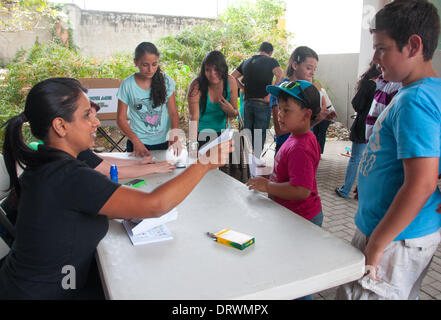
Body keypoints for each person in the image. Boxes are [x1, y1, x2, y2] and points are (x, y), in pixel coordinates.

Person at [0, 77, 232, 299]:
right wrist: (204, 164)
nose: (96, 122)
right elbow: (155, 205)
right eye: (86, 115)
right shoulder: (68, 175)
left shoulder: (45, 165)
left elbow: (82, 210)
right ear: (60, 126)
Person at [336, 0, 441, 300]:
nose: (375, 57)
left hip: (393, 239)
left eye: (382, 48)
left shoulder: (415, 100)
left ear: (413, 45)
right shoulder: (429, 91)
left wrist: (377, 245)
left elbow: (421, 182)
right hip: (403, 232)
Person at [247, 80, 322, 300]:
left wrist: (268, 186)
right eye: (279, 108)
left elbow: (301, 190)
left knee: (297, 273)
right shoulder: (295, 137)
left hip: (302, 218)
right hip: (292, 216)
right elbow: (290, 175)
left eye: (286, 110)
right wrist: (268, 176)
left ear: (307, 114)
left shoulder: (301, 146)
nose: (280, 114)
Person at [117, 42, 182, 158]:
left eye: (154, 64)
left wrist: (174, 136)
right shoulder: (127, 84)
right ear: (135, 62)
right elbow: (121, 119)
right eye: (145, 65)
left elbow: (173, 113)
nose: (150, 69)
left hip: (163, 142)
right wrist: (136, 141)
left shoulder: (166, 81)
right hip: (138, 143)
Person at [269, 46, 335, 155]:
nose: (312, 73)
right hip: (286, 147)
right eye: (309, 68)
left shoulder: (307, 89)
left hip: (303, 145)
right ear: (295, 65)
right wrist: (316, 119)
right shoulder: (281, 90)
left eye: (314, 69)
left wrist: (320, 118)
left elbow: (305, 126)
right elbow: (280, 131)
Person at [84, 101, 175, 178]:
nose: (97, 122)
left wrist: (138, 163)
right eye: (88, 117)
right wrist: (155, 168)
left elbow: (97, 159)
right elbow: (108, 171)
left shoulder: (80, 151)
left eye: (95, 117)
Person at [335, 62, 380, 199]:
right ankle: (364, 192)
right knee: (371, 160)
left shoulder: (369, 84)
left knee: (355, 159)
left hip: (363, 126)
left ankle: (345, 190)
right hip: (378, 127)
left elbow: (357, 104)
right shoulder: (388, 86)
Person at [231, 42, 284, 157]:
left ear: (259, 50)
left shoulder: (246, 62)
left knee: (248, 134)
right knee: (259, 136)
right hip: (262, 103)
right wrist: (271, 94)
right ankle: (255, 163)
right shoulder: (271, 61)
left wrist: (242, 87)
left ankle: (247, 164)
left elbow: (232, 76)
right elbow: (280, 75)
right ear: (270, 52)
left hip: (247, 103)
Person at [187, 51, 238, 149]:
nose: (212, 74)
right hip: (201, 134)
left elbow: (235, 113)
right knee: (202, 162)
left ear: (223, 68)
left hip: (223, 134)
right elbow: (194, 118)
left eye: (216, 69)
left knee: (224, 163)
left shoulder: (230, 82)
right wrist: (193, 145)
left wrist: (230, 110)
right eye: (207, 70)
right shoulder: (196, 85)